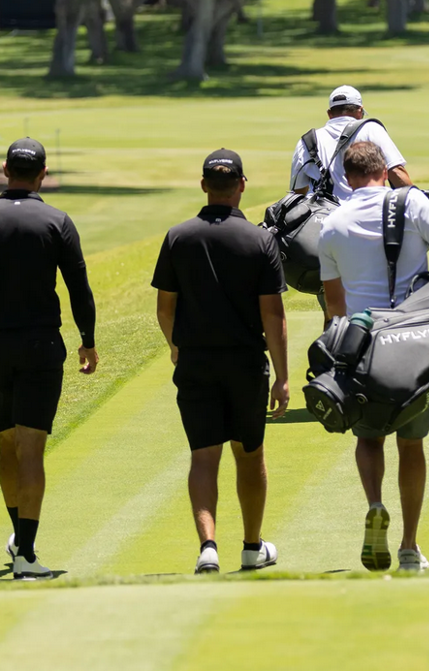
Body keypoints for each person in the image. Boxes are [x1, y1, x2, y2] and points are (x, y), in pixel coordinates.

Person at [0, 138, 98, 580]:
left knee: (8, 440)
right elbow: (79, 289)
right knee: (32, 447)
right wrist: (87, 340)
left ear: (5, 169)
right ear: (42, 174)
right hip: (40, 346)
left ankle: (20, 540)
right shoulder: (57, 221)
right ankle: (26, 554)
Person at [317, 141, 429, 572]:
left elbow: (334, 308)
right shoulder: (413, 202)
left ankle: (375, 503)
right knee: (412, 444)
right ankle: (409, 545)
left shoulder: (332, 224)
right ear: (384, 170)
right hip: (414, 340)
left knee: (368, 437)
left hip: (364, 346)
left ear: (347, 178)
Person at [152, 149, 291, 574]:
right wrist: (282, 377)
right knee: (249, 454)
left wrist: (176, 347)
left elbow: (164, 307)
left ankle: (208, 547)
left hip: (195, 363)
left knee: (203, 456)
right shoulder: (260, 240)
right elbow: (273, 315)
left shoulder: (179, 236)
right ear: (242, 186)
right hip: (246, 364)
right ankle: (251, 546)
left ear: (204, 186)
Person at [290, 85, 412, 201]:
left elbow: (298, 191)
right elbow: (396, 172)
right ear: (360, 111)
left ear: (329, 114)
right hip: (365, 214)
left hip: (322, 217)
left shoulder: (307, 140)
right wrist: (418, 202)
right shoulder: (371, 129)